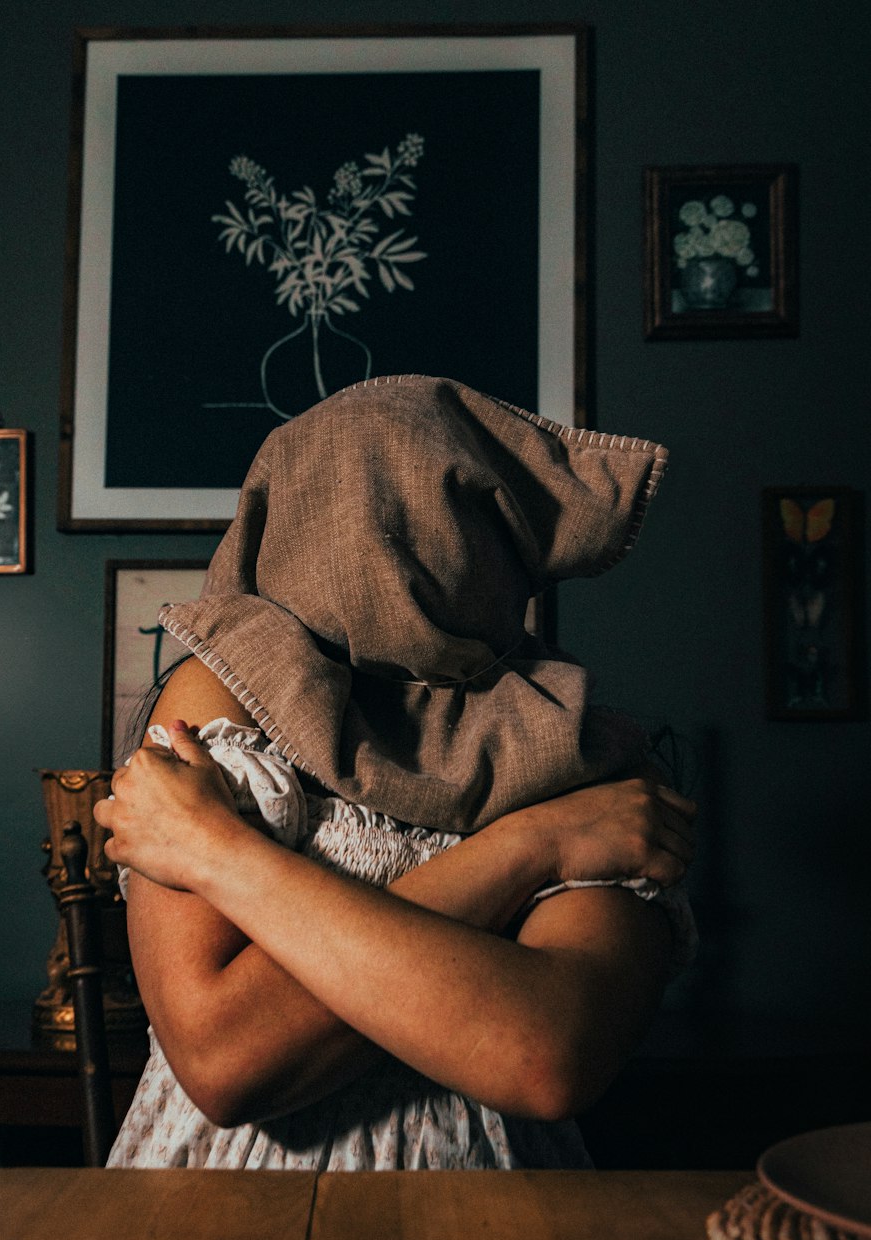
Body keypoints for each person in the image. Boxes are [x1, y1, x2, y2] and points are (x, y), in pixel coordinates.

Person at [94, 375, 697, 1171]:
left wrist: (216, 850)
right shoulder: (222, 698)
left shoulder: (580, 753)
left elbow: (543, 1054)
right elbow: (225, 1058)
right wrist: (531, 847)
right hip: (221, 1211)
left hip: (487, 1226)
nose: (369, 550)